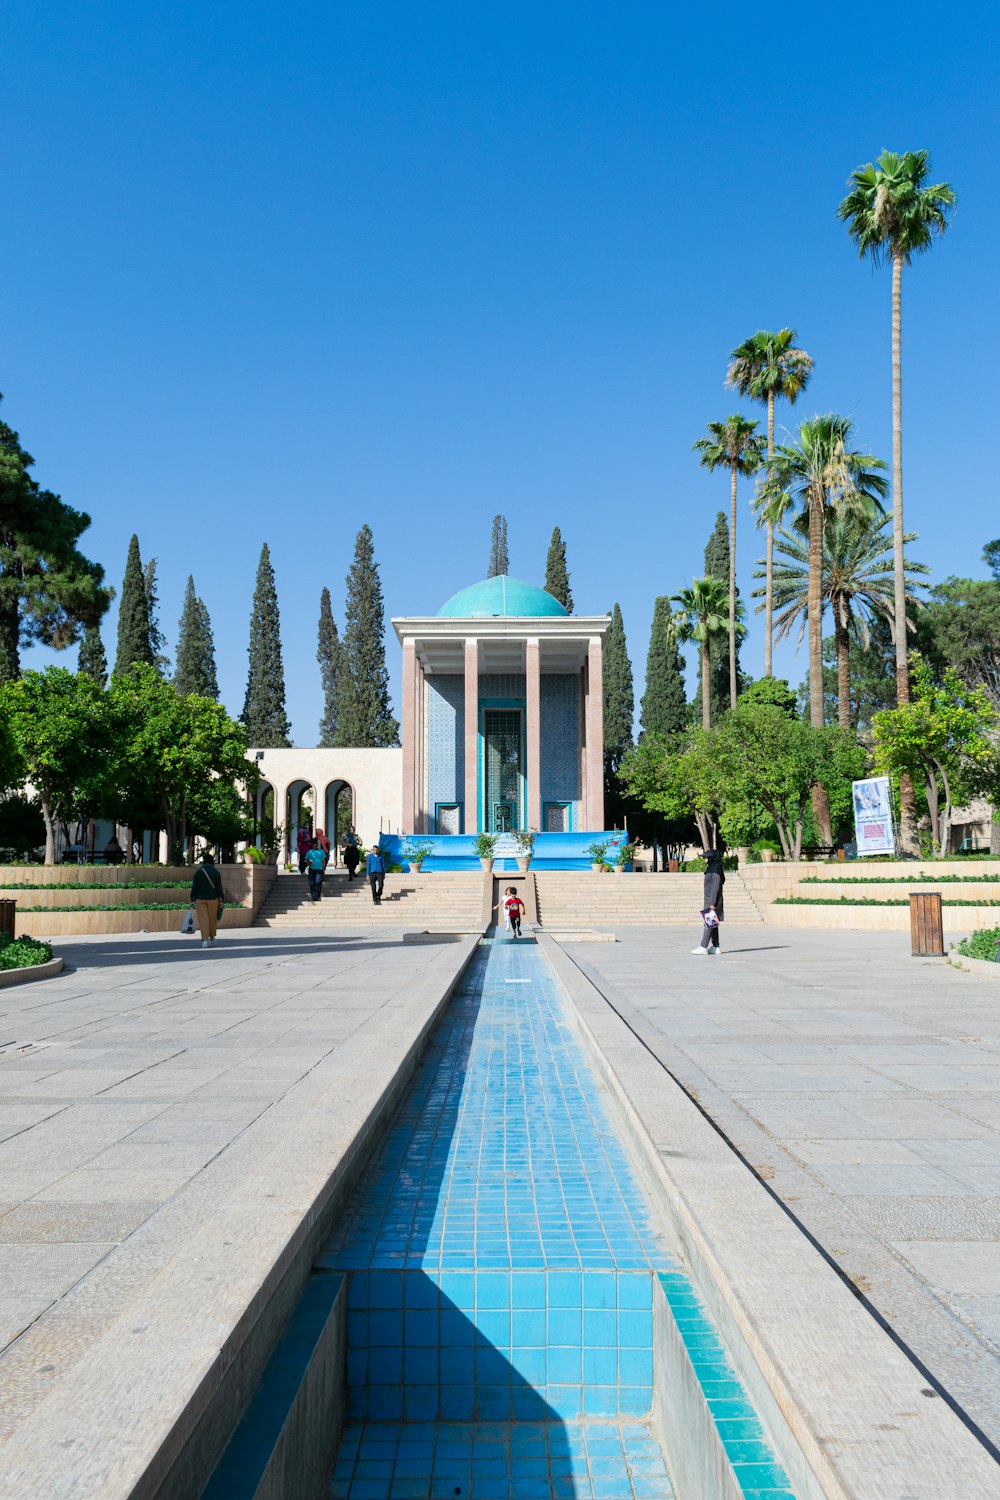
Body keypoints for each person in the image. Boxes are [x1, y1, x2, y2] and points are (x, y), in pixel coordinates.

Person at [692, 848, 725, 956]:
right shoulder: (712, 868)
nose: (704, 858)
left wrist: (712, 903)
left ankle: (703, 946)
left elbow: (715, 887)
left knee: (709, 924)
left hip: (712, 901)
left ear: (711, 858)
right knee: (712, 924)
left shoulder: (715, 870)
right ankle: (715, 946)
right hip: (710, 900)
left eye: (706, 857)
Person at [190, 849, 224, 947]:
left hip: (200, 899)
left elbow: (194, 887)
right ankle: (212, 936)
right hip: (213, 899)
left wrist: (192, 898)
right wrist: (221, 899)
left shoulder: (199, 872)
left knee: (203, 919)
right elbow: (219, 887)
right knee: (212, 918)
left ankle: (205, 940)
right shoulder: (216, 873)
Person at [305, 837, 326, 902]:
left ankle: (318, 894)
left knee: (318, 882)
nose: (314, 847)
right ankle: (314, 896)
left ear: (317, 845)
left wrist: (324, 869)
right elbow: (306, 859)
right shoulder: (310, 852)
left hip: (319, 869)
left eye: (315, 846)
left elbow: (323, 860)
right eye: (313, 846)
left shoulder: (321, 851)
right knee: (312, 883)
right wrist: (308, 862)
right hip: (311, 869)